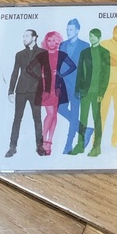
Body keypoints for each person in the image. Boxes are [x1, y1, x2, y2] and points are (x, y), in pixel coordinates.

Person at [5, 29, 48, 158]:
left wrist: (47, 91)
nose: (24, 38)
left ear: (34, 37)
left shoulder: (43, 53)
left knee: (37, 119)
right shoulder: (19, 54)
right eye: (23, 36)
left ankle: (40, 146)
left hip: (36, 91)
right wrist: (11, 91)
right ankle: (12, 147)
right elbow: (15, 73)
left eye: (27, 36)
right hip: (21, 90)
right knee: (17, 119)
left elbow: (47, 73)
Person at [69, 29, 111, 157]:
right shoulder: (85, 52)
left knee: (97, 119)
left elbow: (106, 75)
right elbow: (80, 72)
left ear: (99, 37)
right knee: (83, 118)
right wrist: (77, 89)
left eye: (94, 36)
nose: (92, 38)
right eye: (90, 36)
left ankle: (96, 147)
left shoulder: (105, 53)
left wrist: (101, 93)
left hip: (97, 93)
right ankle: (80, 145)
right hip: (85, 92)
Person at [33, 31, 75, 155]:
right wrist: (40, 76)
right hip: (46, 87)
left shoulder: (61, 54)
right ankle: (42, 141)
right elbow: (29, 68)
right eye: (49, 40)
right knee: (50, 114)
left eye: (53, 40)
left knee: (54, 115)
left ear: (57, 41)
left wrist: (61, 74)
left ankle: (49, 142)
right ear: (46, 42)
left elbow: (73, 66)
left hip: (57, 87)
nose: (51, 43)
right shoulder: (42, 55)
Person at [58, 18, 91, 154]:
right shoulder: (62, 45)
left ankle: (68, 144)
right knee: (60, 108)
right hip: (64, 85)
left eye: (71, 30)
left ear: (77, 30)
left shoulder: (85, 45)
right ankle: (84, 130)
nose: (68, 32)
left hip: (77, 85)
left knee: (75, 112)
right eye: (67, 29)